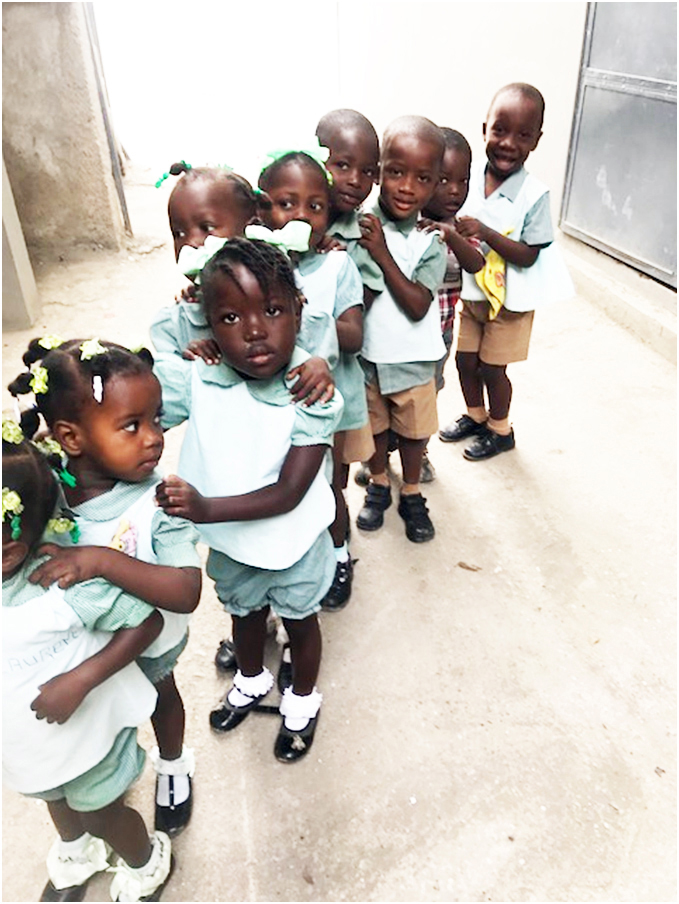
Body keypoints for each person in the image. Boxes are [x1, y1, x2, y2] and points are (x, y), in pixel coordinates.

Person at [153, 238, 344, 763]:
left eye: (273, 310)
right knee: (243, 613)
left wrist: (204, 509)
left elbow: (288, 493)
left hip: (294, 542)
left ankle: (303, 697)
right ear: (208, 325)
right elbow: (143, 395)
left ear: (298, 310)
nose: (256, 330)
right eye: (231, 317)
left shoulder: (313, 391)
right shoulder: (201, 376)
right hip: (233, 543)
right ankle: (253, 676)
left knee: (302, 622)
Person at [8, 338, 202, 838]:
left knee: (160, 696)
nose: (154, 438)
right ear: (70, 438)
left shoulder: (160, 501)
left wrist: (99, 561)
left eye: (156, 420)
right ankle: (112, 767)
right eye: (131, 426)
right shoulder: (41, 487)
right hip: (78, 646)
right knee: (102, 713)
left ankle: (174, 764)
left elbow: (184, 592)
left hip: (148, 642)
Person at [2, 425, 174, 902]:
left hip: (86, 737)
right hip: (26, 743)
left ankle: (146, 860)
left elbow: (146, 624)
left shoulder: (58, 584)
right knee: (53, 798)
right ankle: (79, 850)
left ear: (10, 550)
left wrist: (80, 680)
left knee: (100, 809)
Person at [256, 146, 370, 612]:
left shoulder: (337, 265)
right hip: (274, 403)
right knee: (275, 486)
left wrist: (302, 319)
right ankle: (272, 580)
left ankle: (339, 555)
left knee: (329, 489)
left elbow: (354, 335)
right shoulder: (254, 265)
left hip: (330, 400)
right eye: (286, 204)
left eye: (314, 206)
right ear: (263, 210)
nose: (300, 215)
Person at [442, 83, 574, 460]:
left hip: (510, 304)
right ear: (484, 127)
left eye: (523, 135)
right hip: (473, 294)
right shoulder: (466, 180)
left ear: (536, 140)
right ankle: (475, 415)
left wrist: (485, 233)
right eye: (499, 130)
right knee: (465, 360)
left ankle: (501, 430)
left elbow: (529, 255)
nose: (508, 143)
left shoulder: (535, 195)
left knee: (492, 368)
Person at [355, 115, 447, 543]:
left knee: (413, 433)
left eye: (422, 178)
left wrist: (381, 253)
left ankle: (411, 490)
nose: (407, 187)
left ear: (434, 184)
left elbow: (416, 305)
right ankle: (378, 482)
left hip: (414, 358)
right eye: (395, 172)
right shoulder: (360, 222)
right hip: (369, 356)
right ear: (378, 172)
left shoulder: (430, 240)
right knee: (374, 428)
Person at [418, 128, 485, 474]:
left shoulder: (461, 227)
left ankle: (420, 453)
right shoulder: (407, 223)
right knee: (389, 397)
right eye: (443, 179)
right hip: (400, 332)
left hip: (439, 334)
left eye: (464, 179)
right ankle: (381, 458)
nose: (455, 190)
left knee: (429, 395)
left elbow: (476, 264)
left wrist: (452, 234)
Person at [151, 162, 259, 357]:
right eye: (179, 233)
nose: (190, 243)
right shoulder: (174, 325)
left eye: (206, 227)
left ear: (250, 228)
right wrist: (188, 361)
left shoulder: (284, 298)